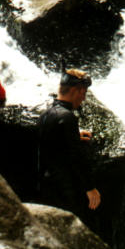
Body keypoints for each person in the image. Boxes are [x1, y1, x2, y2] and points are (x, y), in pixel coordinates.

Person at [37, 68, 101, 224]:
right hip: (63, 188)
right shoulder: (67, 118)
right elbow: (76, 156)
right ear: (76, 91)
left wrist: (74, 135)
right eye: (84, 93)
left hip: (44, 184)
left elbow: (49, 139)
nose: (83, 99)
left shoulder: (46, 114)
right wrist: (90, 188)